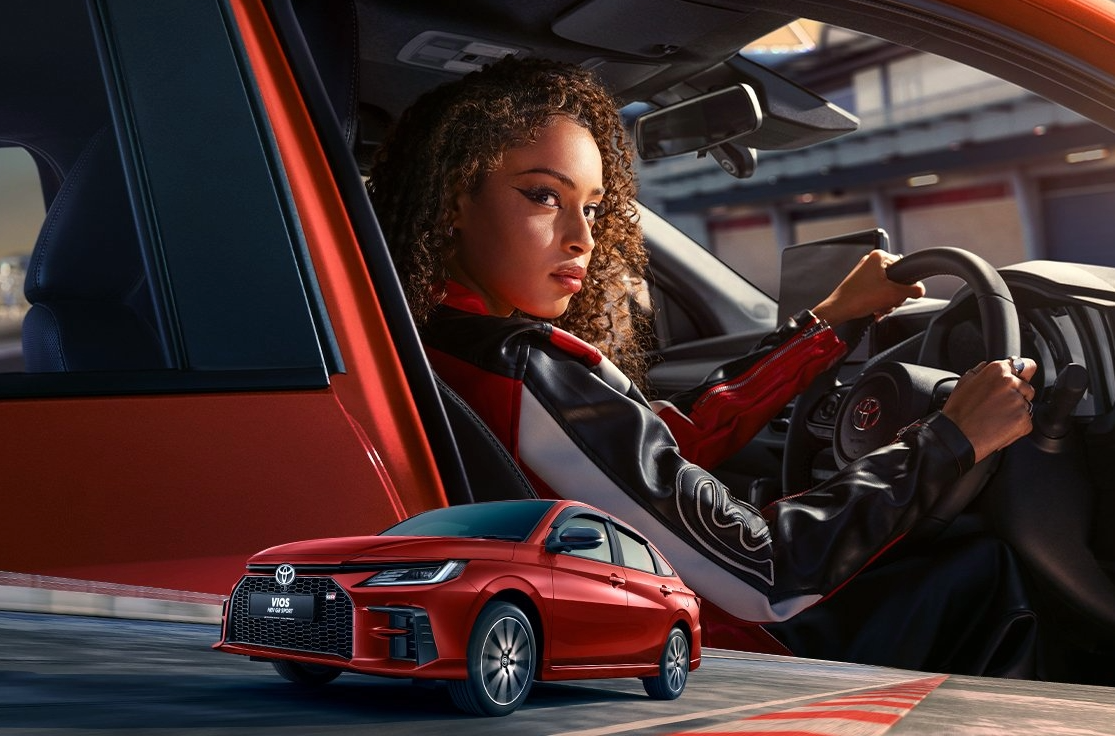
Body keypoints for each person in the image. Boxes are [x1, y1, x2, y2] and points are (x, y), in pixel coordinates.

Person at [368, 56, 1039, 676]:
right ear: (455, 199)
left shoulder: (423, 340)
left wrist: (825, 327)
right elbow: (764, 575)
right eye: (544, 196)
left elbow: (665, 442)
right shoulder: (523, 368)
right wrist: (947, 441)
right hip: (706, 657)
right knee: (985, 568)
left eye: (594, 207)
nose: (583, 236)